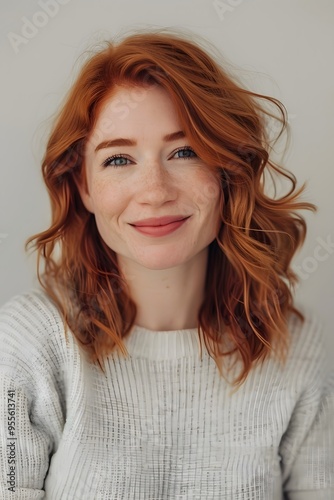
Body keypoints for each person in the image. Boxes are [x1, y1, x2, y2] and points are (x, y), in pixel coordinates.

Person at [0, 29, 333, 499]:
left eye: (184, 151)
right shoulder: (28, 344)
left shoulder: (298, 349)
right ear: (84, 187)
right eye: (119, 159)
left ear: (227, 171)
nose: (155, 190)